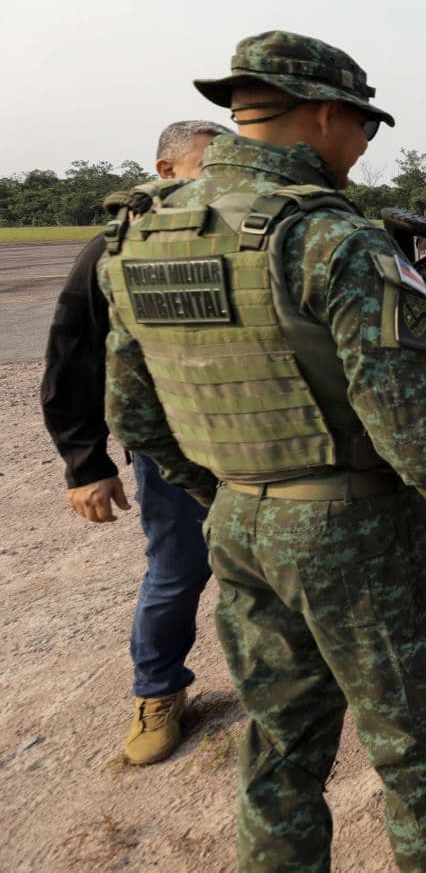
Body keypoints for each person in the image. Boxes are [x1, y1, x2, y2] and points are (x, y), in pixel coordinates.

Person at [99, 30, 426, 873]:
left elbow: (134, 413)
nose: (365, 147)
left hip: (237, 521)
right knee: (421, 740)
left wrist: (233, 490)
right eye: (364, 127)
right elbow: (413, 427)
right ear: (327, 114)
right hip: (357, 532)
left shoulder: (143, 233)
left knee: (281, 739)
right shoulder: (332, 238)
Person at [40, 118, 227, 765]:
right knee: (177, 573)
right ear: (166, 168)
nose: (221, 175)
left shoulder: (245, 235)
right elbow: (73, 356)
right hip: (170, 448)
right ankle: (158, 692)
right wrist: (84, 462)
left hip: (257, 438)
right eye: (209, 161)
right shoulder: (116, 248)